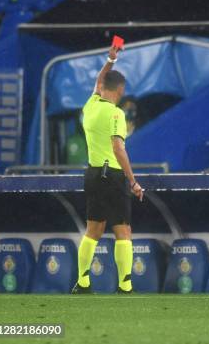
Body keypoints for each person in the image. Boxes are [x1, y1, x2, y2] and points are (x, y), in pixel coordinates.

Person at [71, 44, 144, 294]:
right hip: (111, 174)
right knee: (123, 230)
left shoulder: (90, 107)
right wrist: (132, 181)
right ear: (121, 90)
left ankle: (83, 282)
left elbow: (98, 81)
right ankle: (125, 285)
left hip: (91, 173)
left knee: (93, 230)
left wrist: (110, 60)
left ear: (102, 87)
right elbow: (118, 148)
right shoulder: (116, 114)